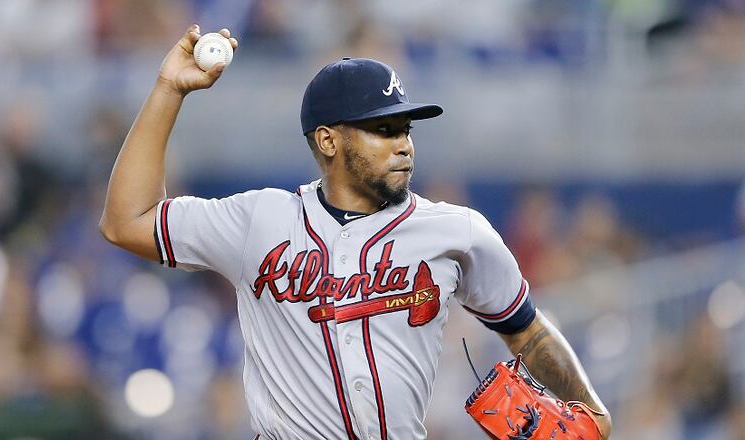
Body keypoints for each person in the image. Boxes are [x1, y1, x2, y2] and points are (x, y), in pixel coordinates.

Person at [100, 25, 612, 440]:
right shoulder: (260, 221)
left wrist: (590, 408)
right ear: (328, 140)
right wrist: (169, 90)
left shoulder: (458, 231)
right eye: (383, 130)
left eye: (406, 129)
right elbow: (126, 222)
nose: (404, 145)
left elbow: (525, 326)